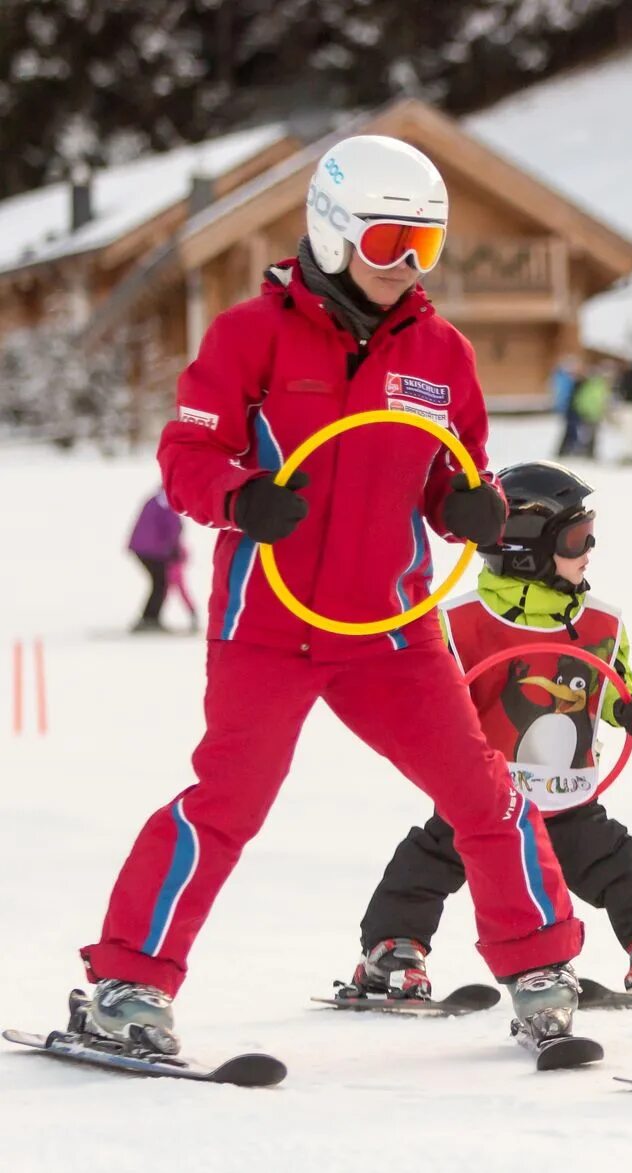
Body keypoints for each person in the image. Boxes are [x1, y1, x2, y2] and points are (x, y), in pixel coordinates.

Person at [75, 134, 585, 1057]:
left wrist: (477, 507)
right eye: (390, 244)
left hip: (389, 630)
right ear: (335, 229)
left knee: (481, 790)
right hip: (266, 624)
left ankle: (541, 965)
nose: (406, 268)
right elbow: (187, 457)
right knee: (227, 801)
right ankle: (127, 985)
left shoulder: (441, 355)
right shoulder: (249, 336)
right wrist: (240, 497)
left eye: (425, 249)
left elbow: (454, 481)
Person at [344, 461, 632, 999]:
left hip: (567, 799)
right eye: (578, 538)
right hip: (484, 800)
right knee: (428, 861)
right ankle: (393, 947)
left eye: (591, 536)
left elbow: (608, 683)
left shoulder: (601, 622)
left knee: (620, 864)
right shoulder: (459, 623)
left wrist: (624, 709)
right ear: (525, 548)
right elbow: (436, 703)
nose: (589, 550)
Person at [127, 489, 187, 633]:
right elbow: (172, 528)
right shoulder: (168, 501)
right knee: (160, 583)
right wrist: (173, 549)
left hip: (143, 547)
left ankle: (149, 618)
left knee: (158, 583)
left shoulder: (158, 499)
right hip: (151, 550)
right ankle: (150, 620)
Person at [571, 362, 612, 460]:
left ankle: (590, 451)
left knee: (592, 434)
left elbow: (603, 401)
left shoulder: (600, 386)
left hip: (595, 414)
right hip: (589, 413)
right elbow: (584, 399)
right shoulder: (593, 386)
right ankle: (585, 451)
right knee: (587, 434)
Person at [552, 355, 582, 457]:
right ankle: (565, 450)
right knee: (570, 429)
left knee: (571, 429)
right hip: (568, 407)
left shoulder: (566, 378)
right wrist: (562, 406)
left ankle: (568, 449)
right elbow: (562, 394)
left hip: (571, 407)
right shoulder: (564, 379)